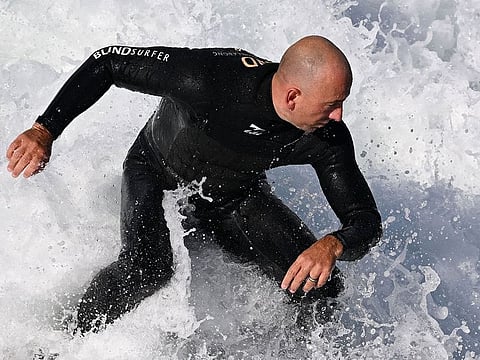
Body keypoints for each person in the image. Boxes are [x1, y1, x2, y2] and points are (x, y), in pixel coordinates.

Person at [6, 35, 382, 333]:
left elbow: (364, 219)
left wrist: (333, 245)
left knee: (322, 288)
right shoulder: (212, 79)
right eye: (333, 103)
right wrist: (44, 129)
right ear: (292, 96)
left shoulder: (326, 136)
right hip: (156, 173)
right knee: (149, 267)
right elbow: (109, 61)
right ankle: (68, 338)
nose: (338, 116)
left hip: (232, 198)